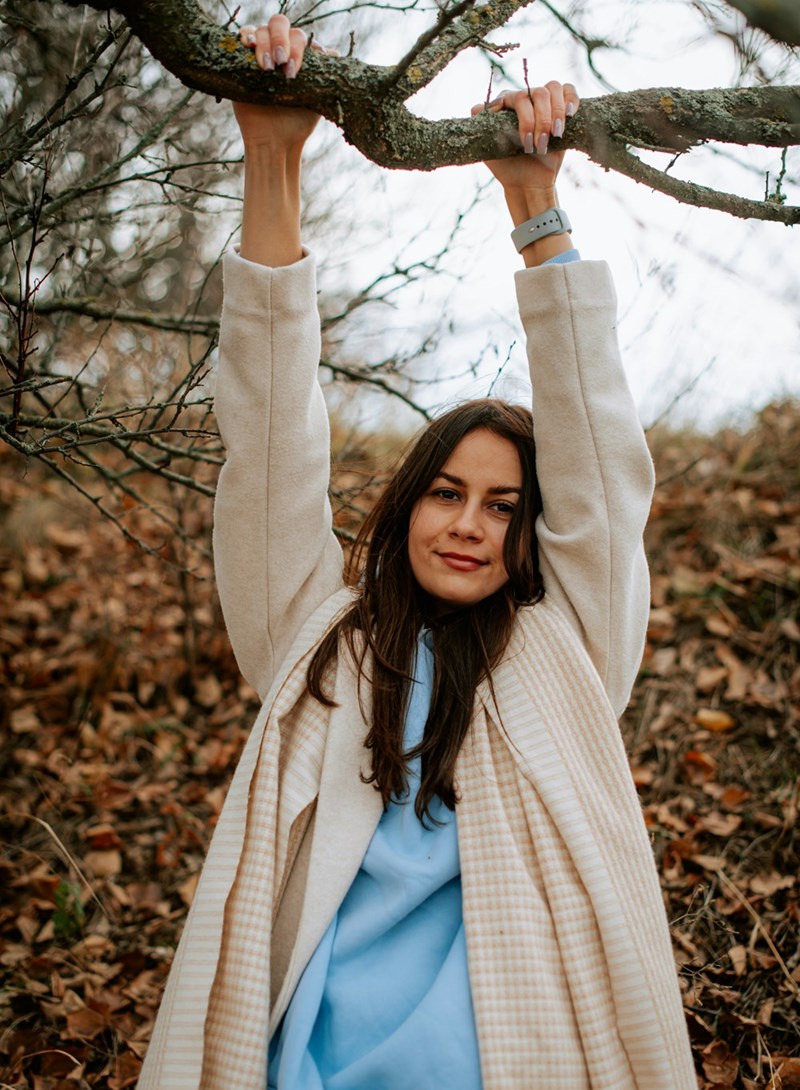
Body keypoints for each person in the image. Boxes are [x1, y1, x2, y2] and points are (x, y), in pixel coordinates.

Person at [137, 15, 696, 1090]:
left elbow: (599, 475)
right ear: (399, 510)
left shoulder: (563, 656)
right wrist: (272, 158)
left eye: (501, 505)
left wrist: (535, 209)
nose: (468, 524)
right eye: (444, 492)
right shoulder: (314, 639)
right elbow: (268, 446)